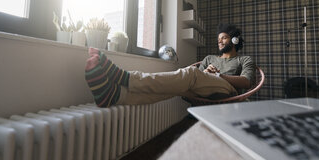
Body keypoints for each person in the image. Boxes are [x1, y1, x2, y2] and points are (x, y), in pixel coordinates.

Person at [85, 23, 255, 107]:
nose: (219, 42)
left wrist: (219, 76)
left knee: (191, 73)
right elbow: (199, 78)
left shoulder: (244, 60)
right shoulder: (210, 58)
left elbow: (247, 82)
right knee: (174, 86)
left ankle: (125, 77)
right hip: (204, 89)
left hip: (227, 92)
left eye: (223, 38)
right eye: (218, 39)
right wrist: (208, 72)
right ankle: (115, 96)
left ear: (234, 40)